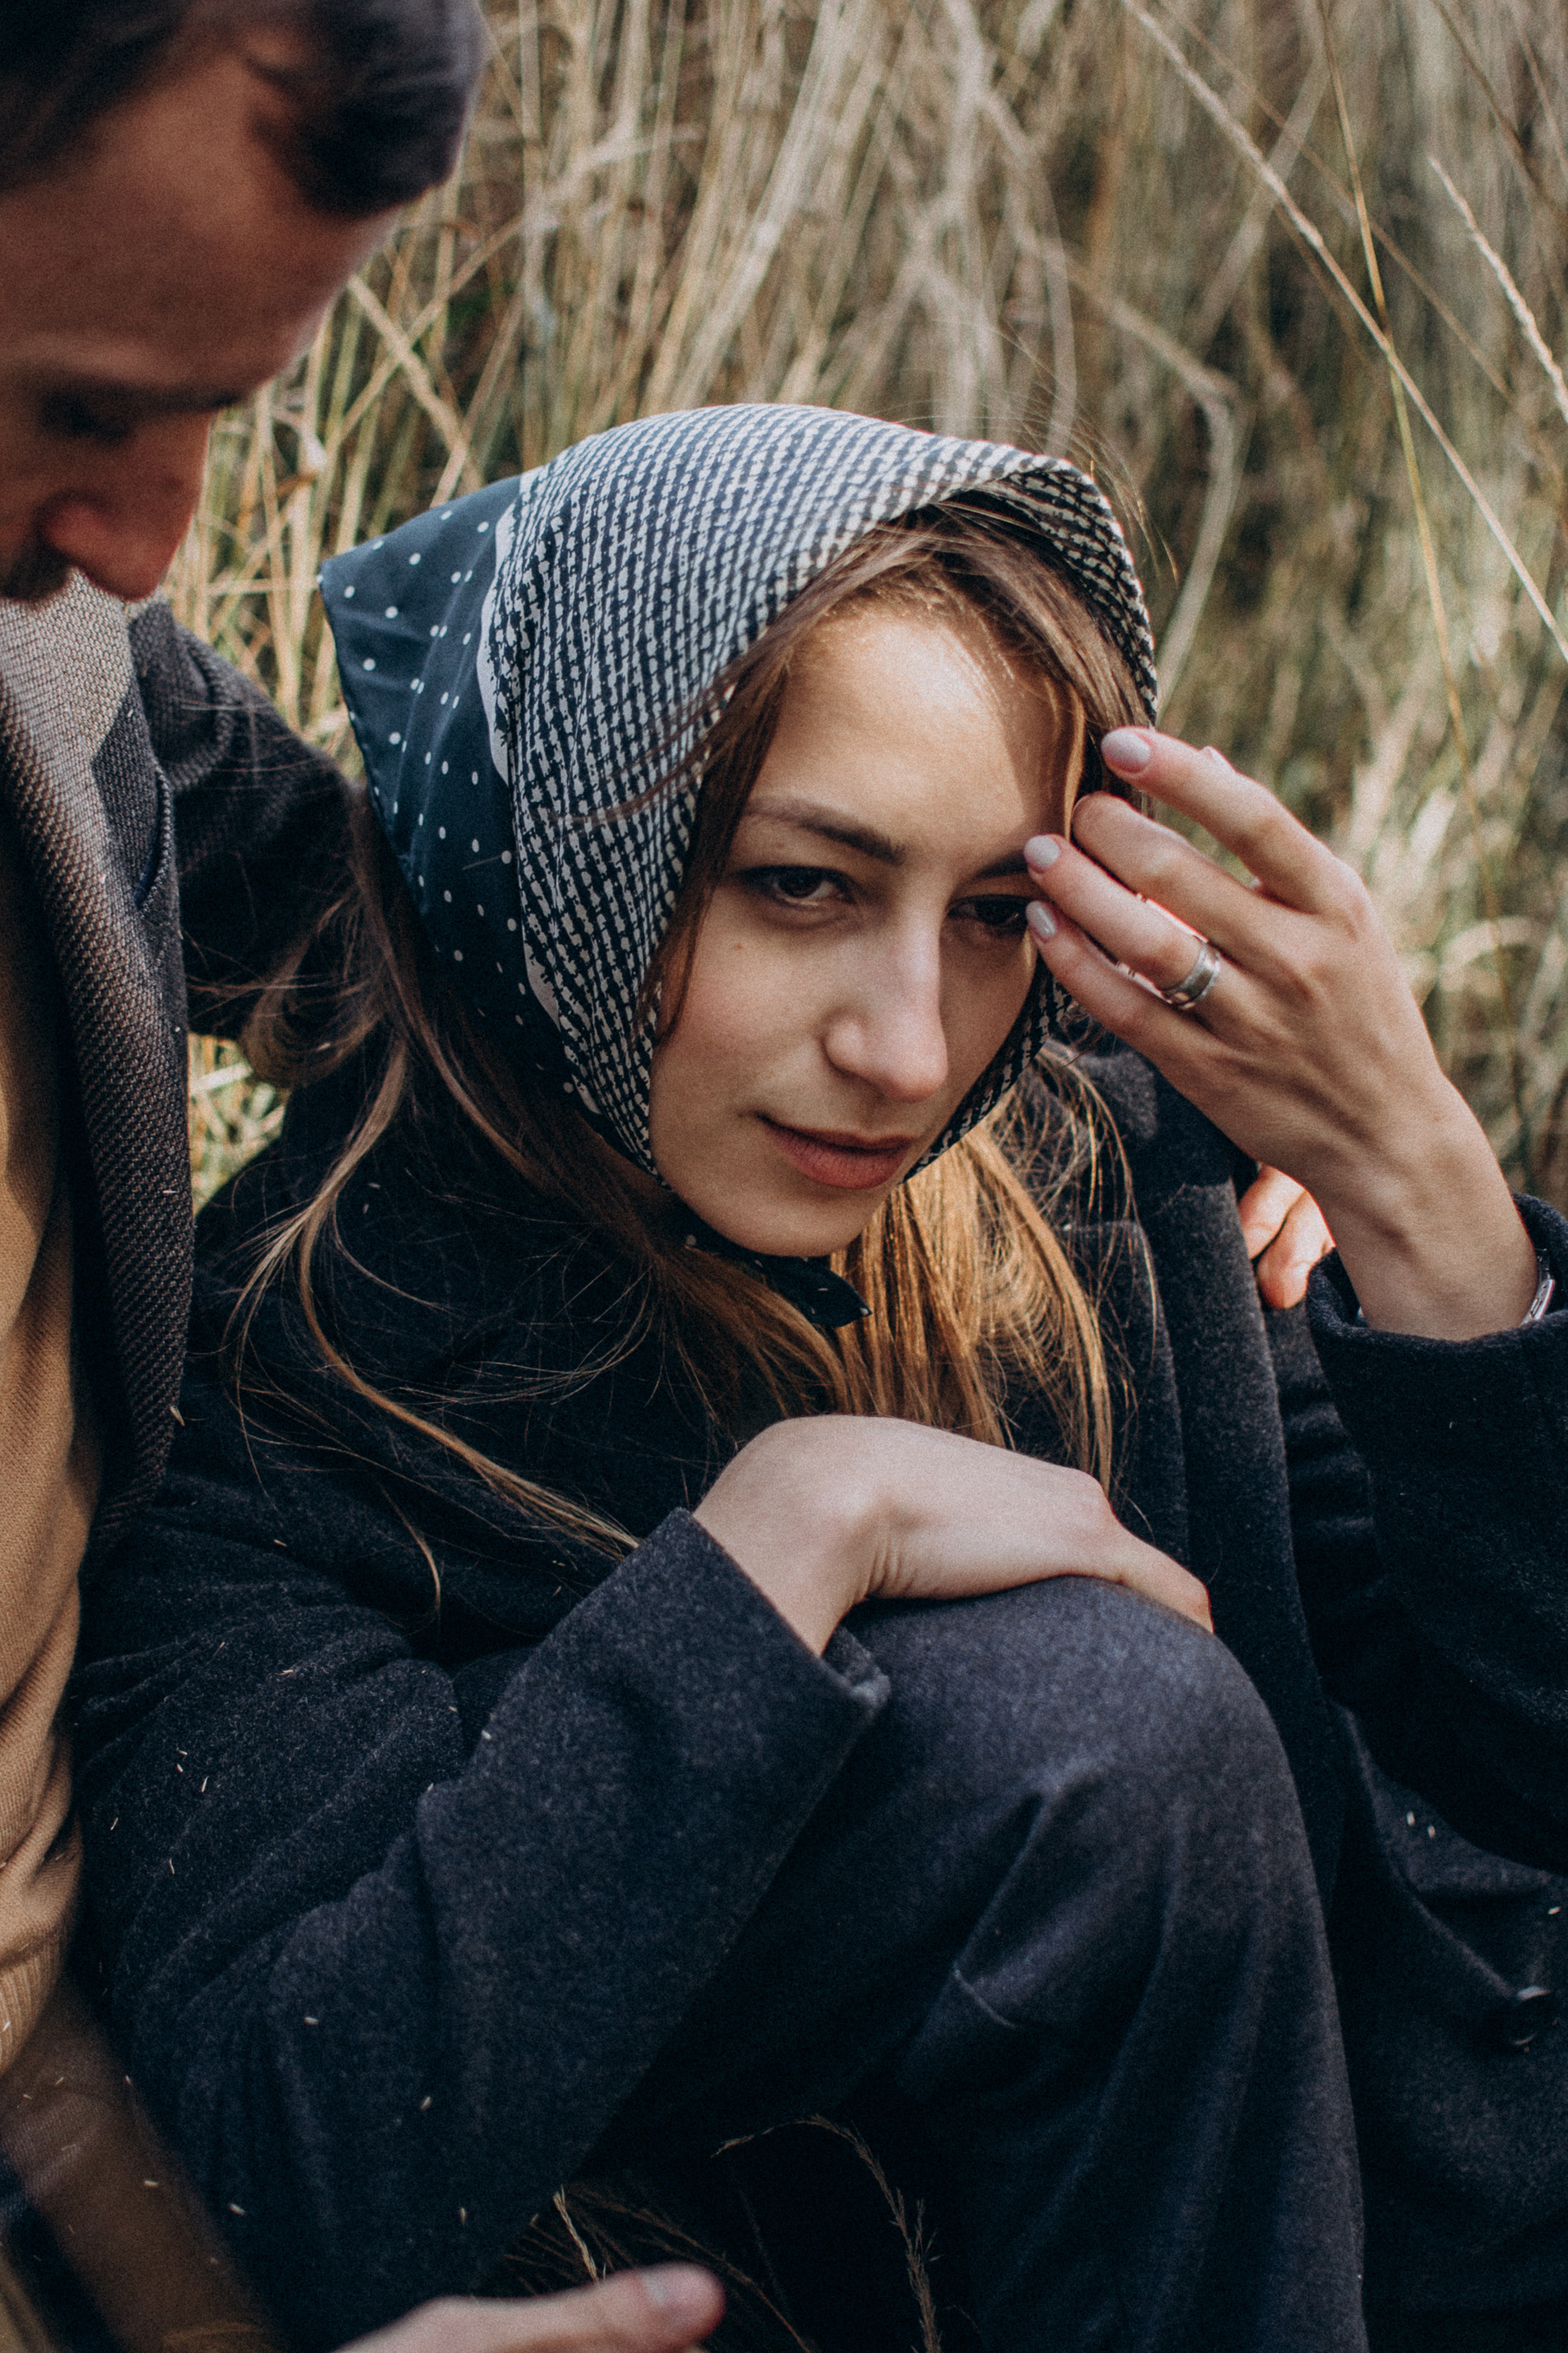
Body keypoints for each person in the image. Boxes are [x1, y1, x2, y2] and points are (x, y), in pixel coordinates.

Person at [68, 402, 1567, 2350]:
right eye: (802, 884)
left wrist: (1425, 1202)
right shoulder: (302, 1391)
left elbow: (1525, 1752)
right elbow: (273, 2169)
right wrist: (769, 1564)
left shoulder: (1108, 1193)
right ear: (575, 845)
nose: (910, 1043)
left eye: (999, 914)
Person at [0, 3, 729, 2346]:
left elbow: (388, 931)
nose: (143, 545)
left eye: (218, 422)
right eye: (75, 403)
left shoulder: (53, 643)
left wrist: (1114, 1115)